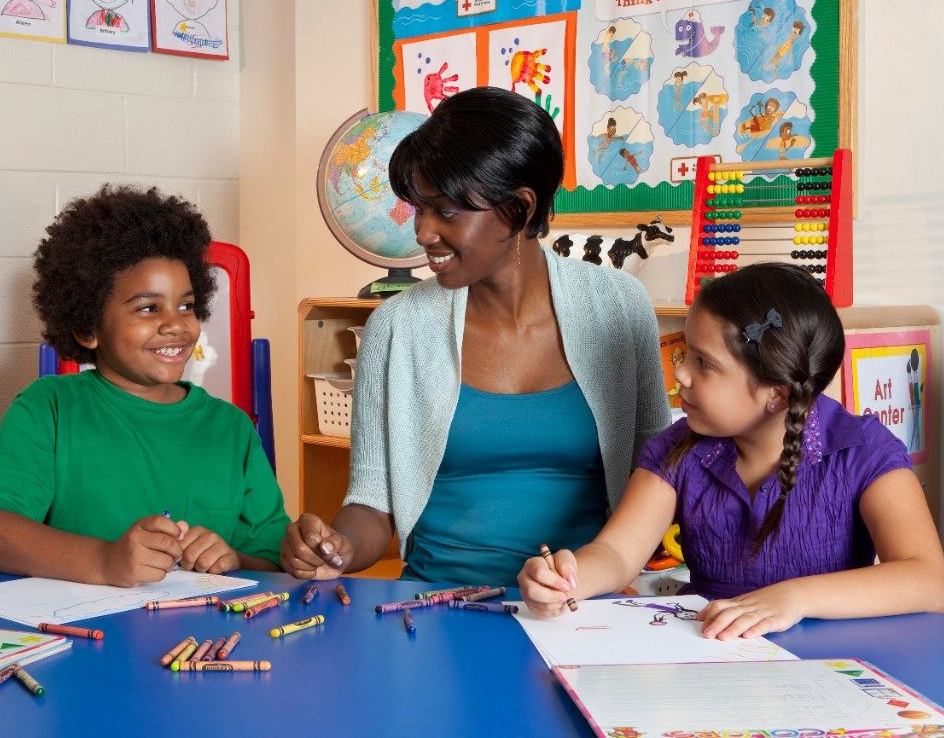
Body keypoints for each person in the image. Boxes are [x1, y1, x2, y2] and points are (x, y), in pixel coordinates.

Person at [281, 87, 671, 587]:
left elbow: (658, 475)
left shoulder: (619, 308)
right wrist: (337, 547)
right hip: (437, 605)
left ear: (520, 209)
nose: (422, 232)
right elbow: (372, 503)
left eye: (445, 212)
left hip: (583, 608)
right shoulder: (397, 328)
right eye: (419, 209)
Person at [519, 262, 944, 638]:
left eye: (704, 363)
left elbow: (929, 580)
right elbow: (617, 553)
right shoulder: (678, 448)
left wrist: (794, 599)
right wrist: (567, 578)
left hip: (828, 671)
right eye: (685, 354)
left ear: (776, 395)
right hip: (711, 656)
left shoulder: (863, 452)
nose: (681, 374)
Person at [0, 186, 289, 586]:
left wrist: (231, 558)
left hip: (204, 642)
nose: (175, 324)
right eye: (148, 308)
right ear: (87, 327)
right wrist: (104, 560)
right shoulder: (49, 409)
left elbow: (273, 560)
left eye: (186, 305)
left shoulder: (232, 428)